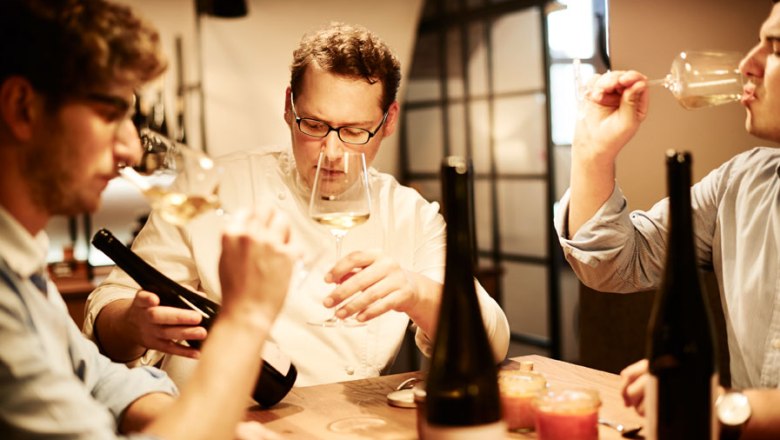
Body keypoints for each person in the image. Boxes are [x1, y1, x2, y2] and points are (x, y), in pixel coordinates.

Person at [84, 22, 510, 388]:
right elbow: (111, 311)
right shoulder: (216, 187)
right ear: (289, 107)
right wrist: (132, 323)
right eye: (315, 124)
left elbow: (489, 343)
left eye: (356, 131)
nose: (333, 151)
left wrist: (416, 292)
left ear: (389, 121)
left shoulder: (409, 215)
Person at [0, 0, 295, 438]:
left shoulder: (22, 262)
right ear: (24, 107)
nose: (132, 151)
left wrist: (200, 424)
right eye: (110, 114)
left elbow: (99, 377)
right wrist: (246, 316)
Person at [554, 1, 780, 437]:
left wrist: (722, 405)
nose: (748, 64)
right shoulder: (742, 182)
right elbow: (617, 264)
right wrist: (592, 153)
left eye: (775, 48)